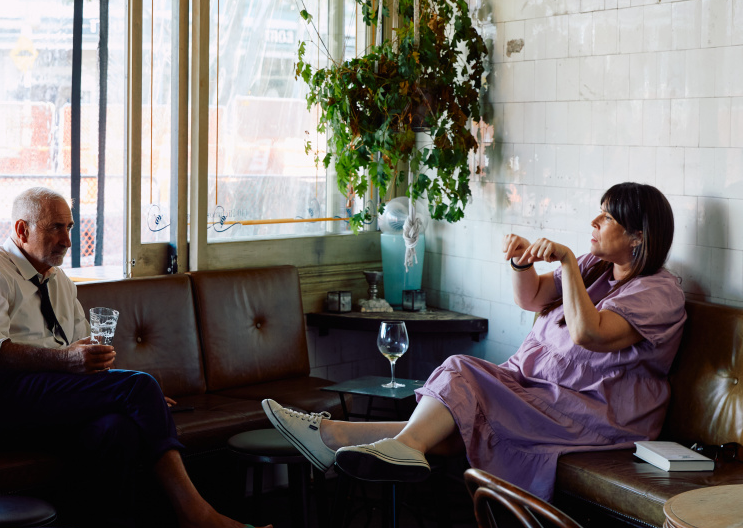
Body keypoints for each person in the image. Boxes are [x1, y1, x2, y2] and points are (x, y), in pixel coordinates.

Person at [263, 182, 687, 500]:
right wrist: (521, 263)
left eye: (607, 217)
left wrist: (567, 260)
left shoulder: (658, 293)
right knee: (455, 424)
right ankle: (336, 436)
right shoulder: (596, 266)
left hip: (594, 414)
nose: (594, 222)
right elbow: (533, 298)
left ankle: (368, 440)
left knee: (460, 370)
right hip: (541, 392)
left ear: (638, 236)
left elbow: (588, 332)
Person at [0, 187, 273, 528]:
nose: (67, 241)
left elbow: (82, 350)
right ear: (22, 230)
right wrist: (100, 375)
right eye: (56, 228)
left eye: (70, 228)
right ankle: (197, 517)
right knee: (140, 386)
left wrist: (126, 395)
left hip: (46, 396)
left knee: (116, 428)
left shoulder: (59, 281)